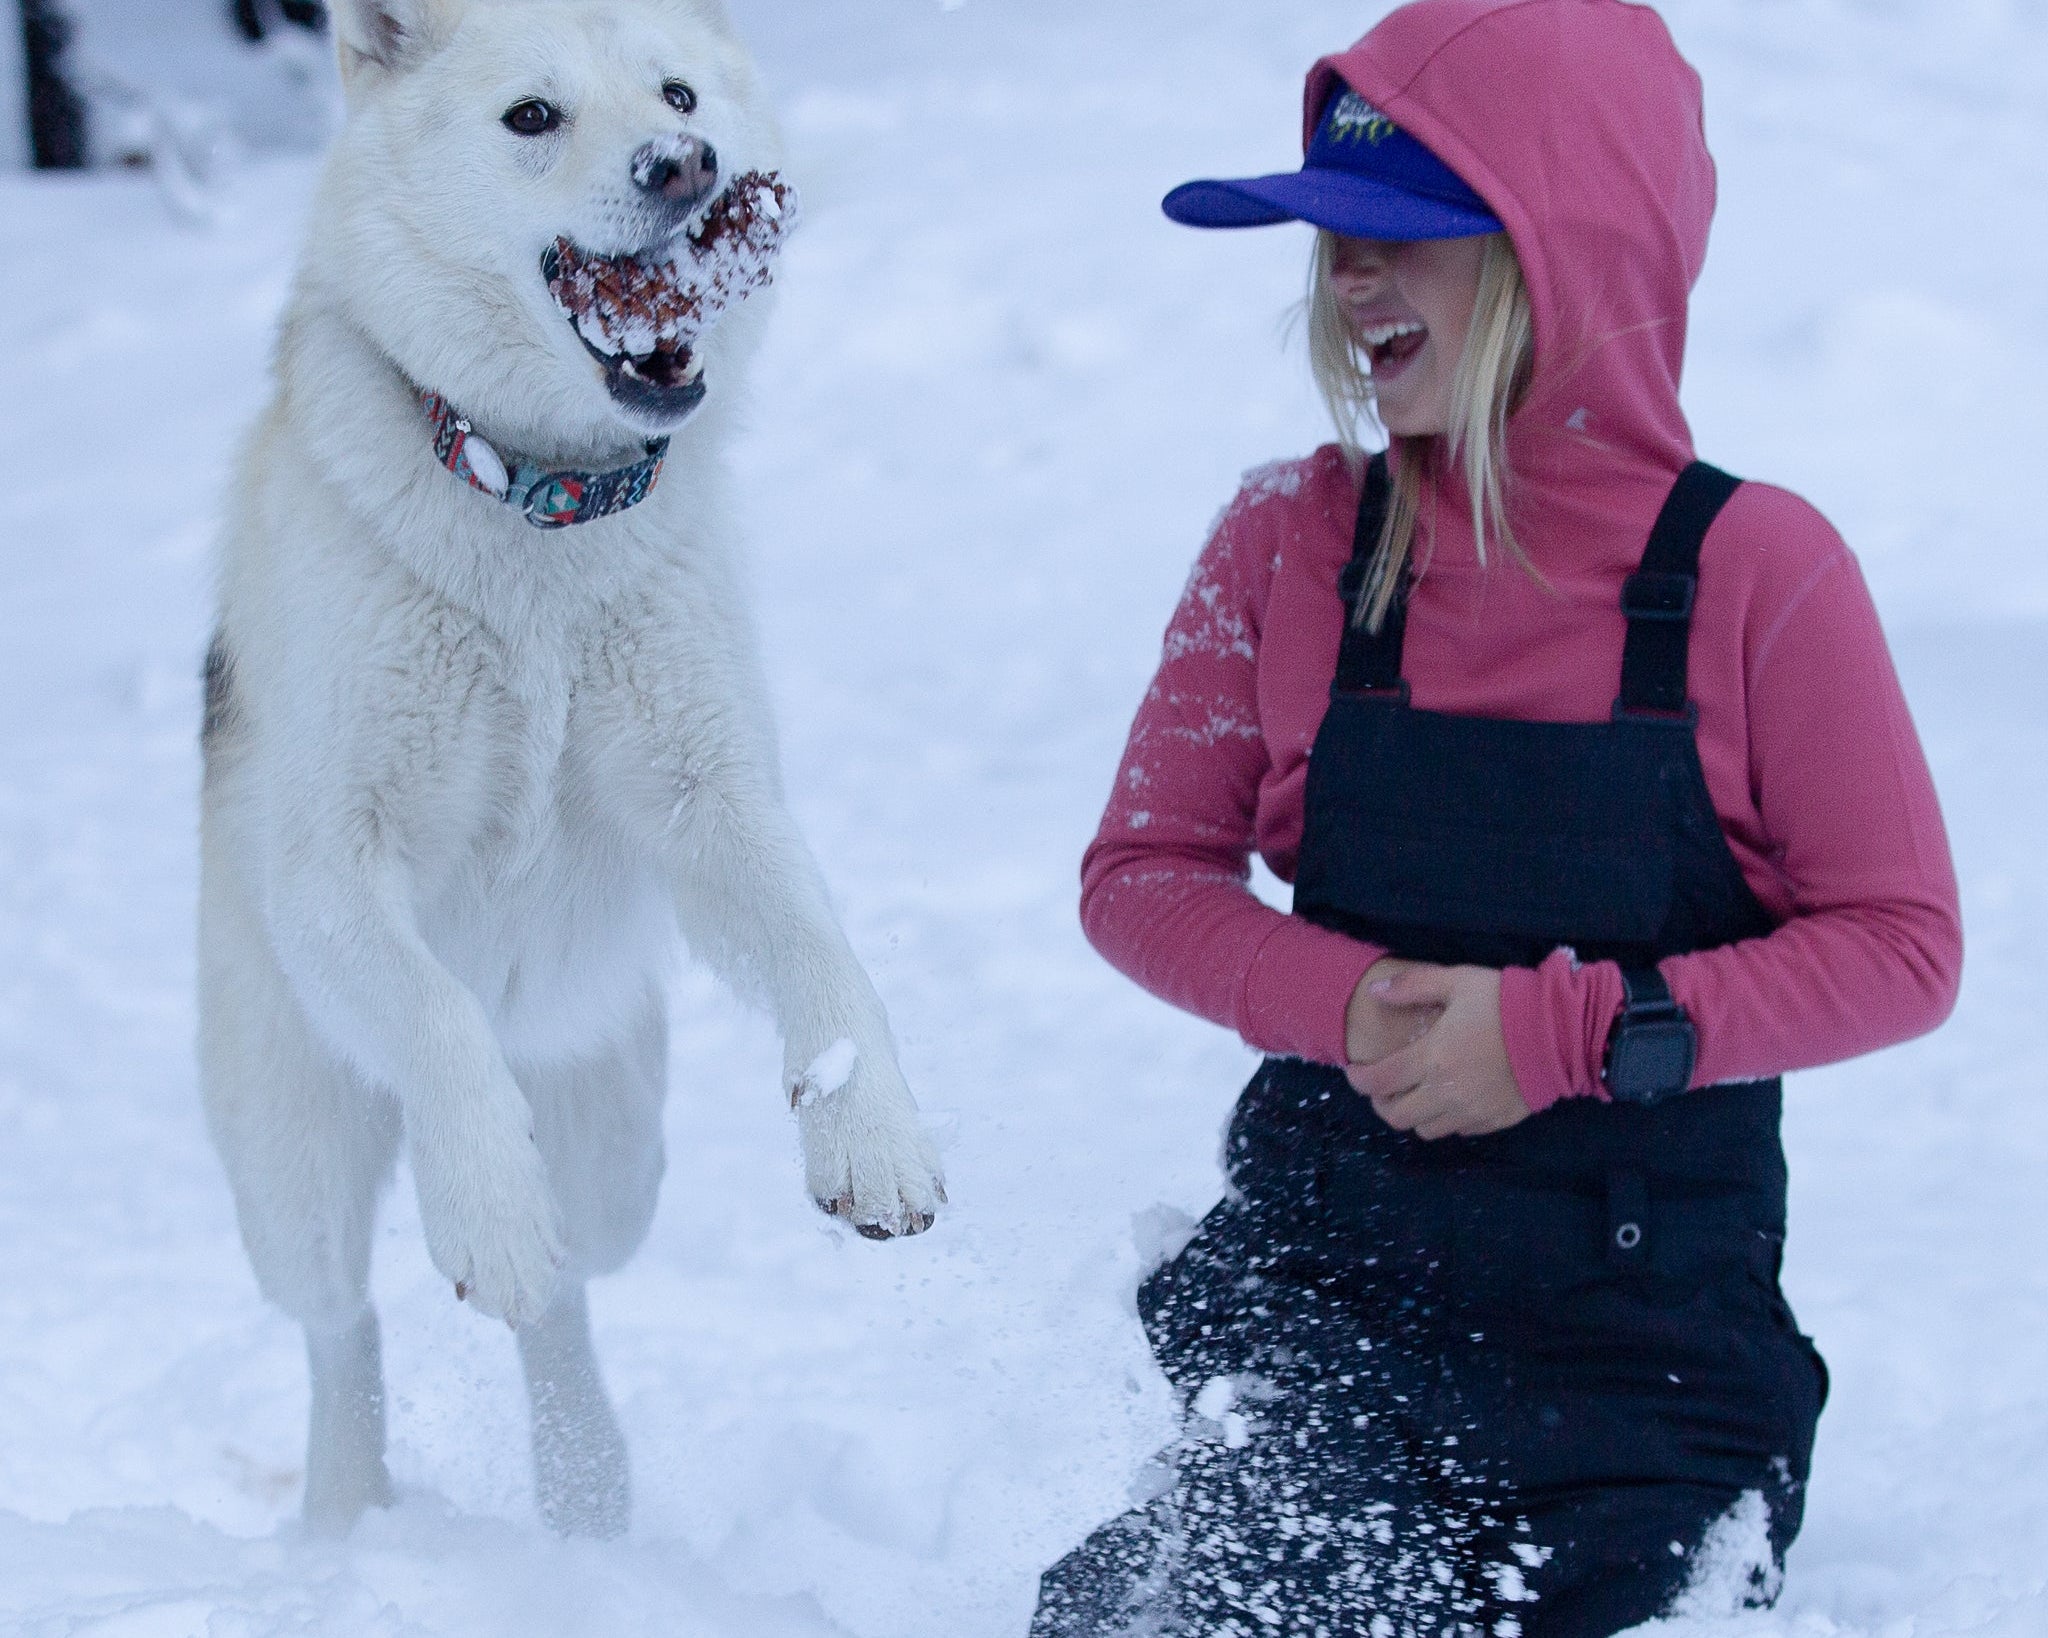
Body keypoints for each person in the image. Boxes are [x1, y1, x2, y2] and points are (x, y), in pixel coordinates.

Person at [1030, 3, 1962, 1635]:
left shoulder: (1760, 574)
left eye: (1408, 238)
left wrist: (1569, 1033)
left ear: (1567, 251)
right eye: (1335, 242)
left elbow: (1903, 946)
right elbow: (1144, 873)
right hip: (1331, 1307)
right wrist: (1346, 1001)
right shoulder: (1285, 538)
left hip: (1647, 1366)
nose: (1351, 282)